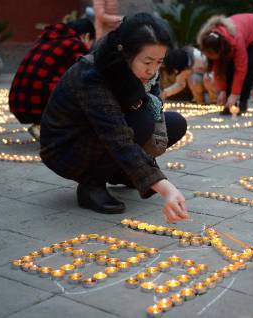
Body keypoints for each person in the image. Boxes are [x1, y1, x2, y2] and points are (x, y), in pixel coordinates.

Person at [40, 13, 189, 224]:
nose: (153, 70)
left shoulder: (147, 74)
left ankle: (123, 172)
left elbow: (151, 103)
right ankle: (92, 184)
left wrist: (147, 172)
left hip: (104, 136)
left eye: (159, 62)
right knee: (142, 122)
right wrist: (165, 187)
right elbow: (117, 136)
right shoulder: (92, 75)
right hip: (66, 147)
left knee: (174, 123)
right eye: (147, 61)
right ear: (123, 52)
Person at [9, 19, 95, 140]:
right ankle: (56, 130)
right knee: (86, 88)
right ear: (86, 36)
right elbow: (86, 75)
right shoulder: (76, 44)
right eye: (91, 42)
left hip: (18, 103)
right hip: (39, 103)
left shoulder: (44, 40)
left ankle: (41, 125)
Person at [197, 13, 253, 115]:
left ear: (220, 50)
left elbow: (241, 69)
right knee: (228, 67)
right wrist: (223, 91)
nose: (209, 58)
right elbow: (218, 69)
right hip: (239, 32)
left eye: (212, 55)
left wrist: (234, 94)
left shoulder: (236, 40)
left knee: (248, 65)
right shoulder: (210, 42)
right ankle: (230, 104)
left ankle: (243, 101)